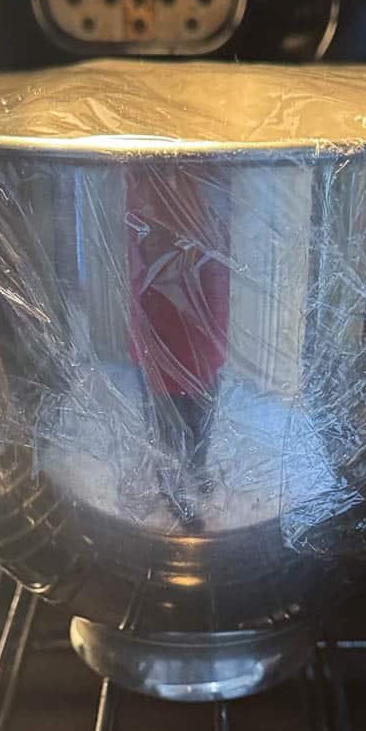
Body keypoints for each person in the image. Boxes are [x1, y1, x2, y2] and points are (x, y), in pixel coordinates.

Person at [126, 167, 230, 526]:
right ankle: (173, 495)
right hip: (161, 345)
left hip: (205, 343)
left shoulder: (208, 200)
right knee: (167, 428)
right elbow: (143, 265)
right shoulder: (143, 200)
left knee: (201, 417)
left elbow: (216, 274)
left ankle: (197, 472)